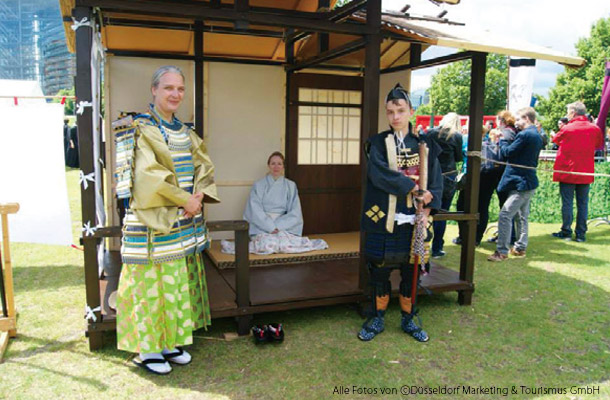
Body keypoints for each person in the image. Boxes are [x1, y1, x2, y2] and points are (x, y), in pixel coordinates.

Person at [115, 65, 220, 375]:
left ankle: (168, 341)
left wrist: (198, 196)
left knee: (175, 282)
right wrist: (184, 199)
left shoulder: (186, 132)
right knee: (151, 284)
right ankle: (147, 348)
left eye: (180, 89)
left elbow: (204, 167)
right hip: (152, 222)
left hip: (182, 221)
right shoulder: (140, 128)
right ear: (154, 90)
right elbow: (147, 176)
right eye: (169, 88)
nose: (176, 94)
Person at [358, 83, 442, 343]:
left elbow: (436, 179)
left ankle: (409, 316)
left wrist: (429, 198)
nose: (395, 116)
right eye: (390, 111)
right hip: (384, 218)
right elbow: (379, 174)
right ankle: (377, 316)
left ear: (411, 112)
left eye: (400, 110)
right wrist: (414, 185)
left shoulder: (424, 145)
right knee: (379, 269)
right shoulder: (377, 144)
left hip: (414, 220)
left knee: (411, 269)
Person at [488, 107, 543, 262]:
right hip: (527, 181)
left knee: (505, 214)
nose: (516, 122)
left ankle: (502, 252)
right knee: (521, 216)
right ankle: (519, 248)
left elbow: (507, 152)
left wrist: (502, 139)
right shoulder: (536, 134)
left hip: (521, 183)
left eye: (518, 119)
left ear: (526, 118)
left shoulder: (525, 134)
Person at [551, 102, 603, 242]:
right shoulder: (594, 128)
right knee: (583, 203)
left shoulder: (568, 128)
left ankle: (566, 231)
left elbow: (555, 139)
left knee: (567, 203)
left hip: (568, 170)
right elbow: (598, 145)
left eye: (568, 112)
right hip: (585, 171)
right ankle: (581, 234)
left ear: (573, 113)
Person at [479, 111, 518, 244]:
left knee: (496, 205)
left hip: (497, 173)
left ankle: (507, 236)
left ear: (501, 121)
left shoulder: (505, 133)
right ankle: (507, 235)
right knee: (506, 206)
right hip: (503, 172)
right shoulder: (513, 132)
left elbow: (504, 151)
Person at [243, 151, 303, 237]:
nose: (276, 167)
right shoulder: (258, 185)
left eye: (279, 164)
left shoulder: (291, 185)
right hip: (262, 225)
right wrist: (270, 226)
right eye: (273, 163)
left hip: (284, 225)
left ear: (283, 167)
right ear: (268, 166)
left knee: (284, 243)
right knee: (267, 244)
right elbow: (254, 209)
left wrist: (278, 226)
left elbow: (295, 211)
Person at [427, 112, 462, 257]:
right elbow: (459, 157)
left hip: (431, 175)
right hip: (448, 176)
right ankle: (437, 248)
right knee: (443, 212)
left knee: (427, 210)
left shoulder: (430, 133)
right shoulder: (456, 136)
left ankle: (421, 244)